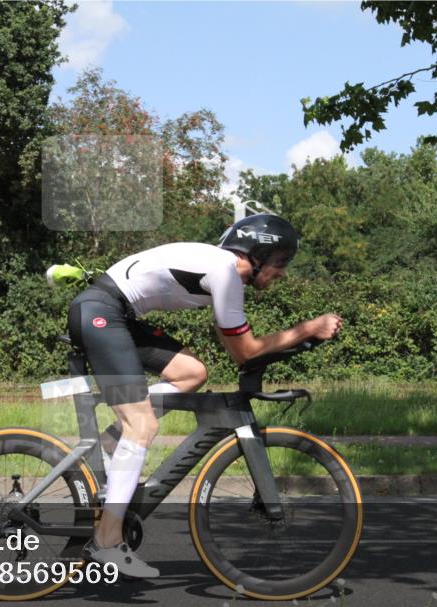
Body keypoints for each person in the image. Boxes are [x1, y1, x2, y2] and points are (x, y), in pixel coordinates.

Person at [49, 214, 342, 578]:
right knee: (142, 425)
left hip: (113, 314)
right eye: (281, 263)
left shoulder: (220, 269)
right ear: (258, 256)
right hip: (103, 315)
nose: (282, 273)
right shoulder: (225, 272)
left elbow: (236, 346)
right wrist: (307, 328)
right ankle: (106, 542)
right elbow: (245, 352)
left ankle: (112, 444)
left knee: (192, 373)